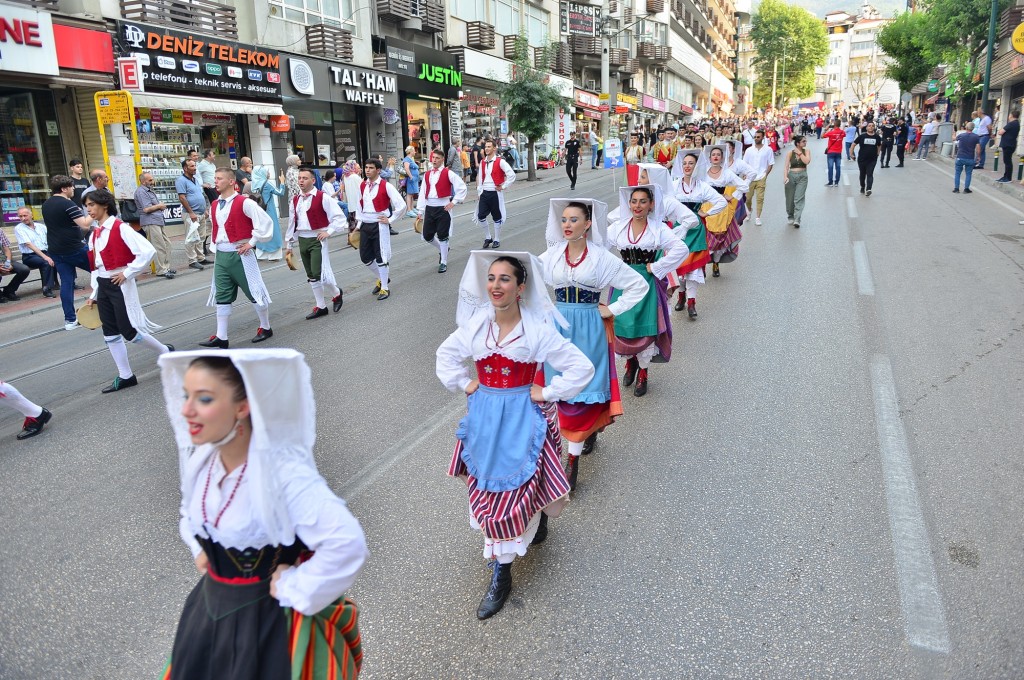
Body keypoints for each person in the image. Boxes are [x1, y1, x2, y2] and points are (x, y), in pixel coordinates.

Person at [159, 349, 368, 678]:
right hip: (207, 613)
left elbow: (347, 543)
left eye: (204, 399)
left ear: (242, 407)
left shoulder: (283, 475)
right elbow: (190, 511)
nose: (186, 410)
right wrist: (201, 549)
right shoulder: (203, 462)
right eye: (186, 396)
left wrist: (293, 586)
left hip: (267, 626)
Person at [436, 251, 594, 619]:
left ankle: (502, 573)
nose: (496, 285)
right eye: (491, 278)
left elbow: (581, 367)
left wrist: (548, 391)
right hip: (485, 419)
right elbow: (446, 355)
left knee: (513, 491)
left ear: (520, 287)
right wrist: (465, 383)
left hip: (522, 418)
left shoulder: (536, 331)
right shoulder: (477, 327)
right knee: (488, 490)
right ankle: (519, 537)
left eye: (505, 279)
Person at [538, 199, 647, 489]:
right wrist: (544, 310)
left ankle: (572, 460)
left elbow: (639, 285)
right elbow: (528, 279)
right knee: (559, 388)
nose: (567, 225)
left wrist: (612, 309)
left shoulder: (601, 258)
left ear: (588, 224)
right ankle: (575, 440)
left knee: (582, 390)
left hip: (589, 326)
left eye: (574, 220)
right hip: (559, 327)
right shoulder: (552, 255)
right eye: (564, 220)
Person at [82, 190, 171, 393]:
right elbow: (95, 267)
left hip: (119, 284)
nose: (88, 209)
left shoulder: (121, 228)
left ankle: (164, 350)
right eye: (86, 206)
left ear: (105, 205)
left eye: (91, 205)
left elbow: (148, 251)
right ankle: (126, 375)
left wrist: (128, 273)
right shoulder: (94, 234)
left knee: (129, 330)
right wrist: (94, 294)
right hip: (103, 284)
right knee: (109, 332)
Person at [610, 185, 689, 396]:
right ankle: (630, 363)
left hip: (646, 282)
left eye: (643, 201)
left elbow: (681, 249)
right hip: (623, 282)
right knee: (623, 325)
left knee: (644, 328)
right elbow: (599, 248)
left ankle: (643, 372)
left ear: (651, 205)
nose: (638, 206)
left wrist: (657, 267)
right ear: (629, 204)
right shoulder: (618, 227)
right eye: (634, 201)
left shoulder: (658, 229)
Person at [198, 167, 276, 348]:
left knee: (254, 292)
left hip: (242, 254)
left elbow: (265, 222)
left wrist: (252, 242)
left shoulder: (245, 202)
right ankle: (221, 336)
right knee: (222, 295)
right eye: (215, 178)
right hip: (221, 256)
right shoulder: (215, 204)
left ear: (232, 182)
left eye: (220, 178)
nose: (216, 181)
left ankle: (265, 326)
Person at [285, 167, 345, 319]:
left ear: (313, 180)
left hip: (318, 239)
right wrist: (289, 244)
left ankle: (336, 293)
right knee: (311, 274)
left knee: (320, 274)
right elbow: (292, 223)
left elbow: (339, 217)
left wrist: (328, 232)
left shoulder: (322, 197)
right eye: (299, 178)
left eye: (305, 178)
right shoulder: (295, 200)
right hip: (302, 239)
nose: (301, 181)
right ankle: (321, 306)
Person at [673, 149, 727, 319]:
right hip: (680, 229)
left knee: (693, 268)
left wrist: (706, 213)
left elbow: (721, 201)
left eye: (691, 163)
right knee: (679, 264)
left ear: (696, 166)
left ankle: (691, 302)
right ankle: (681, 295)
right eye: (684, 163)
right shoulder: (674, 185)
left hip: (696, 230)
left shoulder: (702, 186)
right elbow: (663, 203)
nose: (687, 166)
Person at [41, 175, 94, 329]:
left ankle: (70, 320)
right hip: (74, 248)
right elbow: (84, 225)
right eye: (71, 187)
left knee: (66, 283)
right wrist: (95, 212)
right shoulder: (67, 204)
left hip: (56, 249)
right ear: (64, 189)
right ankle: (107, 306)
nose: (73, 189)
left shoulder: (46, 204)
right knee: (101, 271)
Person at [354, 158, 405, 301]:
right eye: (366, 167)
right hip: (365, 224)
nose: (367, 170)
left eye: (371, 168)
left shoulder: (386, 186)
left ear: (378, 170)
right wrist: (358, 225)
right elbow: (359, 205)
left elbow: (401, 205)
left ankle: (385, 288)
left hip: (379, 224)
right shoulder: (363, 185)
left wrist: (390, 219)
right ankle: (383, 278)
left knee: (381, 256)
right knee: (365, 257)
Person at [698, 146, 748, 278]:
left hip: (721, 211)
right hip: (706, 208)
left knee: (719, 241)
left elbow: (744, 185)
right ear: (709, 158)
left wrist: (732, 196)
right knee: (705, 240)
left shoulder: (727, 173)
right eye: (713, 154)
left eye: (718, 155)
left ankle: (716, 263)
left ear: (722, 158)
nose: (715, 156)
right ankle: (701, 266)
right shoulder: (702, 173)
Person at [417, 148, 468, 274]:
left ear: (442, 160)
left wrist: (453, 202)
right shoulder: (427, 174)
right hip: (429, 207)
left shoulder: (448, 173)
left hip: (443, 207)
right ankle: (443, 248)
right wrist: (420, 210)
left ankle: (443, 262)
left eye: (437, 158)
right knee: (427, 235)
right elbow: (422, 192)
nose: (434, 160)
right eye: (433, 158)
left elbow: (462, 187)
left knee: (442, 235)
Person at [475, 139, 516, 249]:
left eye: (489, 147)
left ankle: (497, 239)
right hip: (484, 192)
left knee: (497, 217)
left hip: (495, 193)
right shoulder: (483, 162)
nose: (486, 148)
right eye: (486, 147)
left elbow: (512, 175)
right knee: (481, 216)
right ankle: (488, 237)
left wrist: (503, 186)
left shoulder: (500, 161)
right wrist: (479, 192)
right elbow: (480, 178)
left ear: (494, 148)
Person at [134, 172, 174, 279]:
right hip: (150, 221)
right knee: (159, 246)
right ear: (143, 181)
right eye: (150, 180)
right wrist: (160, 206)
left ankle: (166, 267)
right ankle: (161, 270)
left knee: (167, 244)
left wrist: (159, 206)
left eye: (152, 179)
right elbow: (146, 209)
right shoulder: (141, 192)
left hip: (157, 220)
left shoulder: (149, 190)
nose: (153, 182)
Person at [14, 206, 55, 297]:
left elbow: (51, 239)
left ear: (31, 215)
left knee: (64, 257)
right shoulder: (19, 228)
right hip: (30, 256)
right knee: (46, 262)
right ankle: (47, 289)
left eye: (25, 215)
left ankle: (70, 283)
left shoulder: (41, 227)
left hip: (45, 252)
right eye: (20, 216)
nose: (23, 218)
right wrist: (46, 257)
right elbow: (29, 244)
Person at [177, 159, 210, 272]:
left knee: (200, 237)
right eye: (192, 166)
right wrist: (191, 212)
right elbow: (182, 198)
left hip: (200, 213)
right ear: (185, 168)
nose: (195, 168)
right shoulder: (181, 180)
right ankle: (192, 260)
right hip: (191, 214)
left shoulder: (195, 179)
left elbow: (200, 194)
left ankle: (201, 258)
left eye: (195, 166)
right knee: (191, 238)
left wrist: (205, 209)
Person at [249, 166, 285, 261]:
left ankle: (261, 254)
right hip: (269, 210)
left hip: (258, 211)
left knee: (260, 231)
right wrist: (282, 182)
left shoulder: (253, 184)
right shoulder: (267, 183)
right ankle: (274, 255)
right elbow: (280, 192)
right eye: (267, 172)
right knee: (273, 231)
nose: (268, 174)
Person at [742, 130, 774, 226]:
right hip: (750, 178)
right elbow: (744, 164)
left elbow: (771, 163)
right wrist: (745, 174)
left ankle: (758, 217)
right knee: (748, 198)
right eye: (755, 137)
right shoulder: (749, 150)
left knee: (760, 198)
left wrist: (765, 175)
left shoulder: (768, 150)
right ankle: (749, 210)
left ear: (762, 138)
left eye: (758, 137)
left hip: (761, 177)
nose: (756, 138)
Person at [783, 135, 811, 229]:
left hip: (802, 176)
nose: (805, 143)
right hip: (791, 176)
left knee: (799, 198)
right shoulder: (790, 153)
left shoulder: (806, 151)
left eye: (805, 141)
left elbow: (807, 161)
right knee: (790, 198)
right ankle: (790, 215)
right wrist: (785, 177)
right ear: (798, 143)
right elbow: (786, 166)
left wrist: (800, 153)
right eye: (803, 141)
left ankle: (797, 219)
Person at [850, 121, 882, 196]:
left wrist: (878, 153)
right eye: (869, 126)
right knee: (862, 174)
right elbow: (853, 144)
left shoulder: (877, 137)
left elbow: (879, 145)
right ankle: (862, 186)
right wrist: (851, 154)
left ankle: (868, 189)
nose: (871, 127)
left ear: (874, 127)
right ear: (866, 127)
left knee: (870, 173)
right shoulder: (862, 136)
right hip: (862, 159)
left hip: (872, 159)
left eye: (872, 126)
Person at [0, 228, 30, 302]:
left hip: (3, 259)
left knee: (24, 269)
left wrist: (7, 263)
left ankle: (9, 290)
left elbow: (7, 249)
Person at [952, 122, 981, 194]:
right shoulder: (976, 137)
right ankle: (966, 189)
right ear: (973, 128)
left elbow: (954, 139)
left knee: (958, 173)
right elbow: (978, 148)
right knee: (968, 173)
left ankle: (956, 188)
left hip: (960, 157)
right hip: (970, 158)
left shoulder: (961, 135)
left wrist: (954, 133)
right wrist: (978, 156)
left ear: (966, 127)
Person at [997, 109, 1020, 183]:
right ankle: (1005, 176)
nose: (1008, 116)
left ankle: (1008, 178)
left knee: (1007, 161)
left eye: (1009, 115)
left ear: (1011, 115)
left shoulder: (1011, 124)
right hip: (1011, 144)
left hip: (1008, 144)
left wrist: (1000, 130)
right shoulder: (1017, 123)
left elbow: (1000, 132)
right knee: (1007, 160)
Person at [823, 122, 845, 186]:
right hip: (838, 152)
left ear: (834, 125)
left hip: (831, 152)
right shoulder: (842, 132)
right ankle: (836, 182)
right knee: (838, 167)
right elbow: (844, 134)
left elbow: (822, 136)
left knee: (830, 167)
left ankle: (830, 182)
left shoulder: (831, 132)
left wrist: (826, 129)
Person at [401, 146, 420, 218]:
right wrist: (411, 176)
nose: (415, 152)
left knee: (412, 194)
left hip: (414, 179)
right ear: (410, 151)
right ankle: (409, 210)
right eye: (414, 150)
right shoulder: (407, 159)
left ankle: (411, 208)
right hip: (411, 179)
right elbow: (406, 168)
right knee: (409, 194)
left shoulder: (410, 159)